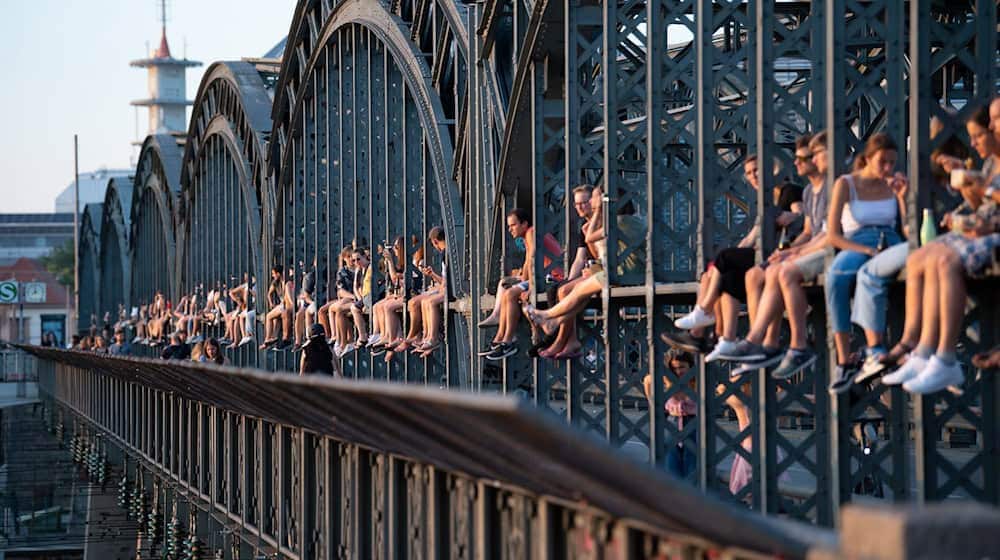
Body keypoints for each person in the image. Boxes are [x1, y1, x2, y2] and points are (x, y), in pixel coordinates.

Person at [852, 107, 997, 382]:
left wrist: (975, 188)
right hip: (932, 240)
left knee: (923, 260)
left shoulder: (972, 168)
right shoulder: (981, 166)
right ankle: (917, 348)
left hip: (966, 238)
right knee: (920, 257)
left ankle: (926, 354)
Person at [715, 133, 832, 378]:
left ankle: (763, 341)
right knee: (754, 274)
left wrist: (791, 250)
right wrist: (787, 251)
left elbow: (821, 230)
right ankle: (758, 343)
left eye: (804, 158)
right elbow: (809, 231)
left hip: (827, 250)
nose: (797, 163)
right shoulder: (810, 191)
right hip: (803, 248)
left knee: (771, 269)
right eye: (748, 173)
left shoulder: (803, 190)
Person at [822, 133, 907, 390]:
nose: (888, 168)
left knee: (874, 277)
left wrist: (903, 195)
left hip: (890, 238)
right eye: (883, 162)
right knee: (836, 276)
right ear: (868, 159)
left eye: (892, 162)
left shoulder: (895, 183)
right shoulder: (847, 184)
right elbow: (833, 236)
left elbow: (908, 228)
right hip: (858, 239)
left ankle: (882, 350)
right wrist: (866, 251)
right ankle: (844, 359)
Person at [481, 208, 536, 361]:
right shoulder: (527, 236)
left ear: (524, 224)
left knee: (510, 293)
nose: (509, 229)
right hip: (539, 277)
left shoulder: (531, 233)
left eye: (513, 225)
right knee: (506, 287)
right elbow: (527, 263)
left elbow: (532, 260)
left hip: (550, 277)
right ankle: (500, 336)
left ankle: (508, 340)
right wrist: (522, 279)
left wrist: (529, 286)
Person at [642, 350, 697, 479]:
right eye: (674, 368)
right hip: (671, 424)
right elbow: (647, 380)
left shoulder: (697, 382)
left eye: (682, 367)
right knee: (671, 466)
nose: (678, 371)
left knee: (692, 467)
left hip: (694, 425)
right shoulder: (669, 381)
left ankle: (690, 496)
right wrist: (653, 404)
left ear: (690, 366)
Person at [261, 265, 291, 349]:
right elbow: (269, 294)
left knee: (269, 316)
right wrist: (271, 303)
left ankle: (268, 338)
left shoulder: (286, 282)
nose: (273, 276)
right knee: (275, 318)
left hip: (285, 305)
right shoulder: (275, 283)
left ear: (278, 274)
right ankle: (274, 337)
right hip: (282, 305)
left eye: (273, 274)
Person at [294, 258, 318, 350]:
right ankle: (299, 341)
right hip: (311, 302)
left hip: (322, 301)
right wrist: (313, 302)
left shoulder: (331, 273)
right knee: (300, 314)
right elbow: (306, 296)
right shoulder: (310, 276)